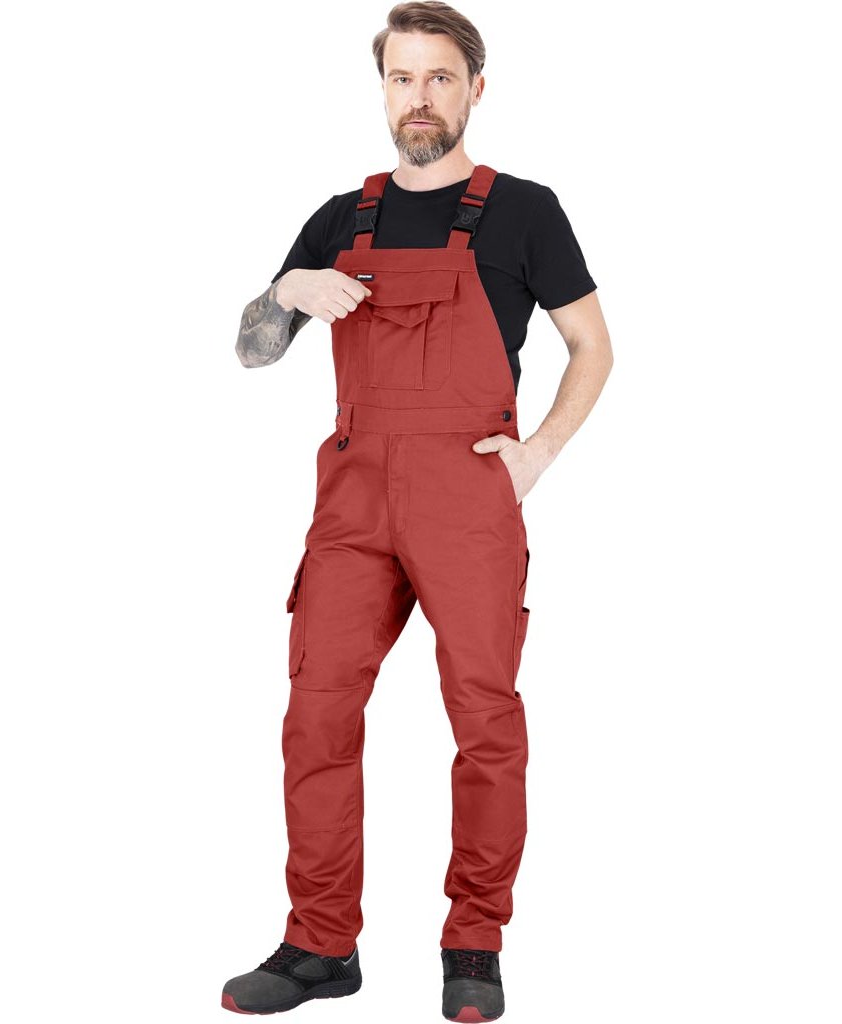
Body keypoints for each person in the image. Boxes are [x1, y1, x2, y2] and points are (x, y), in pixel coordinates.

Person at [222, 3, 613, 1019]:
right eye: (403, 78)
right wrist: (291, 288)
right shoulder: (337, 219)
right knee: (315, 713)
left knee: (484, 718)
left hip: (467, 494)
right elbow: (253, 350)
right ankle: (319, 944)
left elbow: (593, 346)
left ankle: (474, 941)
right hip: (352, 500)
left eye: (440, 77)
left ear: (475, 88)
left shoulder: (523, 211)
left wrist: (537, 453)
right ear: (384, 89)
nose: (420, 98)